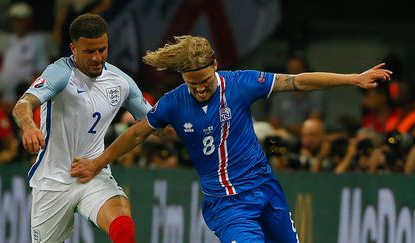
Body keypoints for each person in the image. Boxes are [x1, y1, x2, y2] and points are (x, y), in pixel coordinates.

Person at [71, 35, 392, 242]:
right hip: (228, 206)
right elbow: (138, 133)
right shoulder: (174, 101)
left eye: (204, 80)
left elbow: (297, 82)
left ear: (216, 66)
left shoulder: (239, 83)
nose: (199, 89)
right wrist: (99, 162)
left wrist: (353, 78)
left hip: (265, 190)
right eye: (191, 83)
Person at [12, 13, 151, 243]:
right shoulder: (60, 73)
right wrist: (29, 127)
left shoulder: (121, 81)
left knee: (123, 226)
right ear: (73, 48)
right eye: (89, 51)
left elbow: (151, 122)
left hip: (93, 174)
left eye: (102, 49)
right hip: (53, 181)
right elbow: (23, 105)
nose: (98, 57)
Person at [0, 2, 49, 112]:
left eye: (21, 20)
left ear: (28, 20)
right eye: (15, 20)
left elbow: (41, 71)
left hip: (24, 97)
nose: (17, 23)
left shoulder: (37, 40)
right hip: (7, 97)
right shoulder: (11, 39)